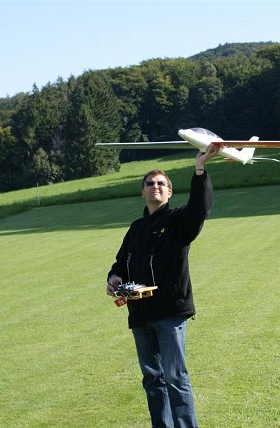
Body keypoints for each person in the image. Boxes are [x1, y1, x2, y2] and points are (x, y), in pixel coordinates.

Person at [106, 145, 218, 428]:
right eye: (149, 183)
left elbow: (200, 208)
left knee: (175, 377)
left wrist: (200, 170)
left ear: (169, 192)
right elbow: (121, 262)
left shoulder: (178, 221)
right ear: (142, 192)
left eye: (160, 184)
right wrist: (114, 278)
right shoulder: (135, 228)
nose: (154, 187)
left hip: (169, 313)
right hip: (140, 314)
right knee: (152, 378)